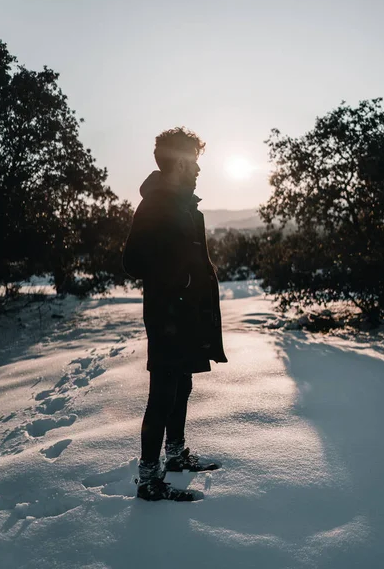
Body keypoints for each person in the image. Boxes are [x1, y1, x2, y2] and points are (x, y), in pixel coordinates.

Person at [122, 127, 228, 502]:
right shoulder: (156, 204)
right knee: (163, 391)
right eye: (194, 162)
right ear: (179, 162)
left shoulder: (186, 204)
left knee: (182, 384)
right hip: (167, 313)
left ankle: (176, 455)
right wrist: (178, 279)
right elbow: (131, 261)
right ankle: (149, 479)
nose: (198, 169)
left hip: (187, 313)